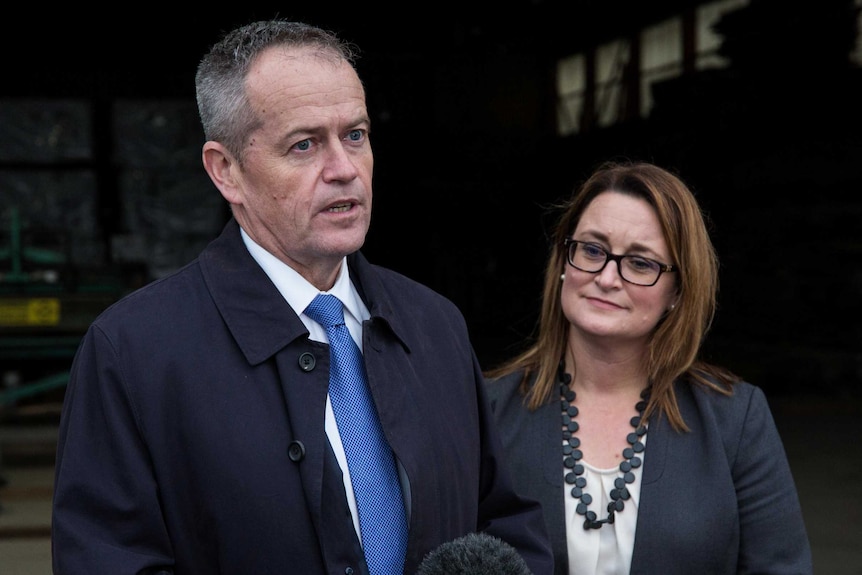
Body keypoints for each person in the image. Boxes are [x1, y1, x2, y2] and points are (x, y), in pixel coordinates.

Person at [51, 19, 554, 575]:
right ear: (227, 172)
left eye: (356, 135)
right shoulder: (133, 353)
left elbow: (505, 522)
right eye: (305, 144)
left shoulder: (434, 325)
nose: (343, 170)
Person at [484, 160, 813, 575]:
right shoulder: (486, 408)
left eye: (640, 263)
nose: (606, 277)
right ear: (564, 261)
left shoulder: (736, 419)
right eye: (592, 249)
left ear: (678, 290)